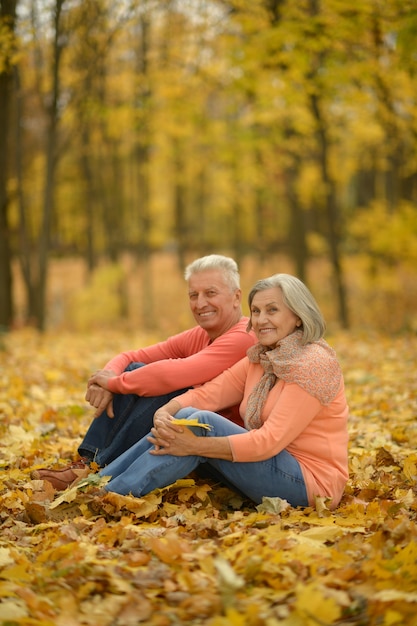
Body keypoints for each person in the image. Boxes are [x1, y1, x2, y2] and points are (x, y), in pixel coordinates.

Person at [99, 274, 349, 510]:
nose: (261, 320)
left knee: (201, 423)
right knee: (188, 414)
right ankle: (100, 483)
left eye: (272, 310)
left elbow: (267, 442)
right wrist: (167, 410)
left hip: (311, 486)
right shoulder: (262, 357)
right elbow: (210, 394)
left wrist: (195, 445)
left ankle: (111, 495)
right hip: (269, 466)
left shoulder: (312, 365)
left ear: (297, 315)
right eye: (256, 311)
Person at [31, 254, 256, 490]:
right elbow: (131, 357)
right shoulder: (200, 335)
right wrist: (107, 379)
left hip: (225, 453)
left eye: (210, 293)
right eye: (193, 295)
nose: (200, 304)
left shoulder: (244, 337)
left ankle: (96, 470)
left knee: (170, 386)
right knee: (137, 371)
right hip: (186, 444)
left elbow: (172, 375)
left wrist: (115, 383)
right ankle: (90, 464)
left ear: (236, 296)